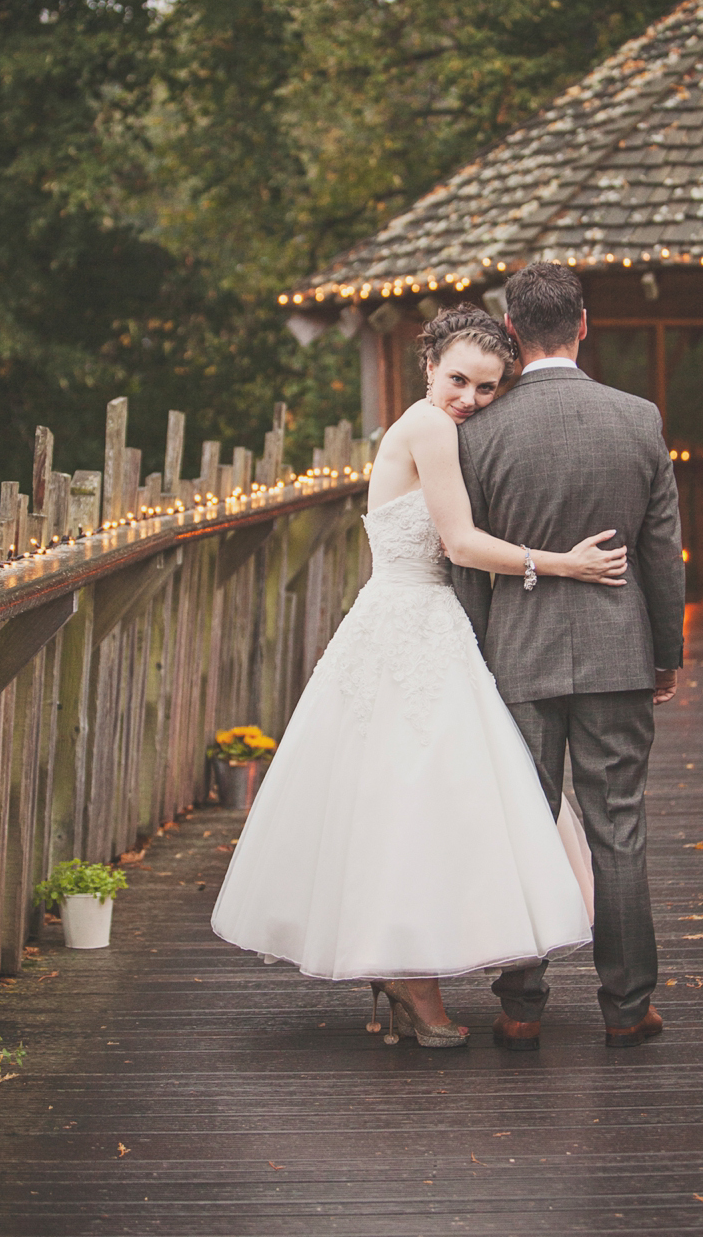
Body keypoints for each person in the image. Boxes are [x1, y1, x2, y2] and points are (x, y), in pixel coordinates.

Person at [211, 305, 627, 1048]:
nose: (468, 398)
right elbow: (462, 544)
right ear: (428, 365)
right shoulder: (433, 429)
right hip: (416, 620)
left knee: (404, 798)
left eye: (488, 388)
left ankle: (406, 973)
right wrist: (567, 564)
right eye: (458, 379)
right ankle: (410, 978)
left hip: (408, 617)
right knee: (418, 798)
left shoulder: (423, 424)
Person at [452, 262, 685, 1051]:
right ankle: (628, 1008)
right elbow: (662, 550)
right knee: (619, 825)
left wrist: (473, 660)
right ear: (584, 324)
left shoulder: (479, 433)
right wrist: (666, 651)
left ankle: (521, 1004)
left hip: (515, 658)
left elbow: (468, 564)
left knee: (523, 825)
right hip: (621, 651)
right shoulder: (638, 418)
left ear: (511, 331)